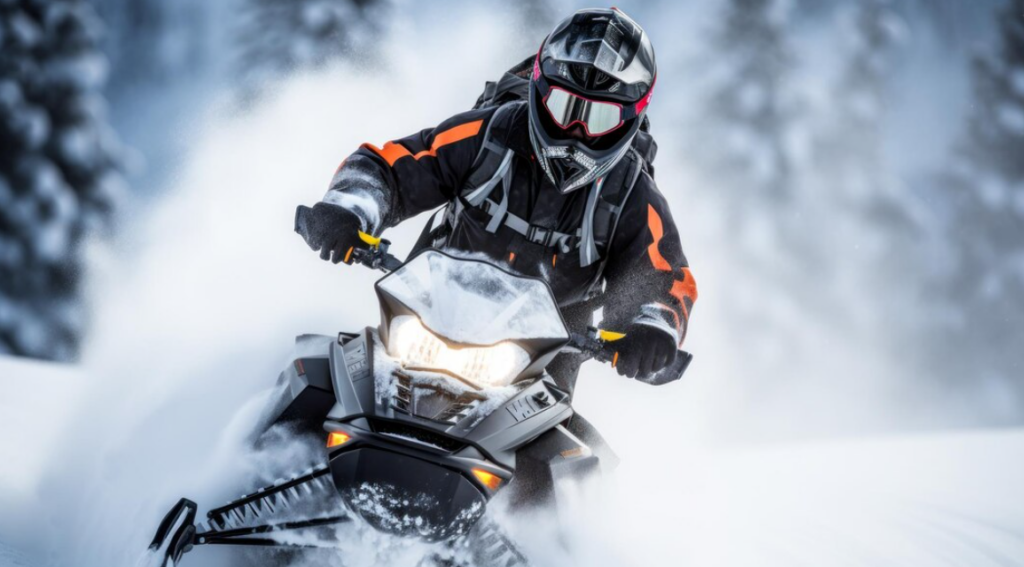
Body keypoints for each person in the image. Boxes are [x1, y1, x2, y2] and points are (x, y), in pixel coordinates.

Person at [297, 8, 695, 390]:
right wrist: (348, 210)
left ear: (629, 118)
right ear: (540, 90)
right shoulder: (487, 135)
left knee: (573, 457)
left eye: (600, 118)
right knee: (317, 381)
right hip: (426, 317)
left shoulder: (631, 193)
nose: (576, 130)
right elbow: (392, 168)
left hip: (545, 360)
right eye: (564, 106)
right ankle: (271, 455)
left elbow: (666, 280)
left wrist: (652, 332)